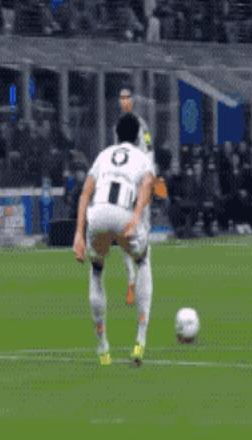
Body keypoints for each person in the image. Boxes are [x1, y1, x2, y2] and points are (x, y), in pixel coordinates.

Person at [72, 113, 155, 367]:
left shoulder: (103, 155)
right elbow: (147, 186)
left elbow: (85, 192)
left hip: (97, 214)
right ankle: (140, 340)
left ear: (116, 135)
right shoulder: (142, 158)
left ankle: (103, 347)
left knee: (97, 271)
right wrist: (136, 217)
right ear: (138, 137)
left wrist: (79, 233)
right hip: (123, 215)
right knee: (143, 261)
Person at [114, 88, 166, 306]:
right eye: (122, 98)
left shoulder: (142, 126)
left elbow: (150, 150)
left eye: (128, 98)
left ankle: (142, 276)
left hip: (140, 183)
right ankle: (131, 280)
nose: (125, 102)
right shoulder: (117, 127)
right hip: (126, 184)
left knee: (143, 229)